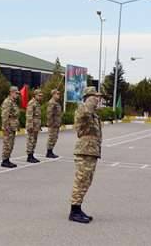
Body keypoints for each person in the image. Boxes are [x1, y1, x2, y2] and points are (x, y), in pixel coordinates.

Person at [69, 86, 102, 224]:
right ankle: (74, 211)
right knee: (81, 180)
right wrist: (90, 100)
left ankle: (78, 208)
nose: (98, 99)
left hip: (91, 151)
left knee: (87, 181)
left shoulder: (93, 114)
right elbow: (84, 113)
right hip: (84, 150)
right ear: (89, 98)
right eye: (95, 97)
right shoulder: (83, 109)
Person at [0, 86, 21, 168]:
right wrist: (5, 127)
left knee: (11, 144)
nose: (17, 95)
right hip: (8, 127)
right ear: (11, 92)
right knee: (7, 144)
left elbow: (14, 115)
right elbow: (4, 116)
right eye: (16, 93)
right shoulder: (7, 102)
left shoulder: (13, 102)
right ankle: (4, 161)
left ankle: (7, 159)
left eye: (18, 93)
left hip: (12, 126)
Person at [25, 89, 43, 163]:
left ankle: (32, 154)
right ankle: (29, 156)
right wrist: (30, 126)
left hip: (36, 126)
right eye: (39, 95)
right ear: (35, 95)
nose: (41, 97)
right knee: (31, 140)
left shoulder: (37, 103)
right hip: (32, 126)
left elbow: (37, 116)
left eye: (41, 96)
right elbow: (29, 115)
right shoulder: (32, 103)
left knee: (34, 141)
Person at [46, 89, 63, 158]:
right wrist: (50, 124)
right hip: (53, 124)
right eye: (57, 94)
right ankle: (49, 152)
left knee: (54, 138)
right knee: (51, 138)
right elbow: (49, 114)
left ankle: (51, 150)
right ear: (53, 95)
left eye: (59, 94)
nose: (58, 95)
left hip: (56, 124)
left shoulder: (56, 103)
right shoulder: (52, 103)